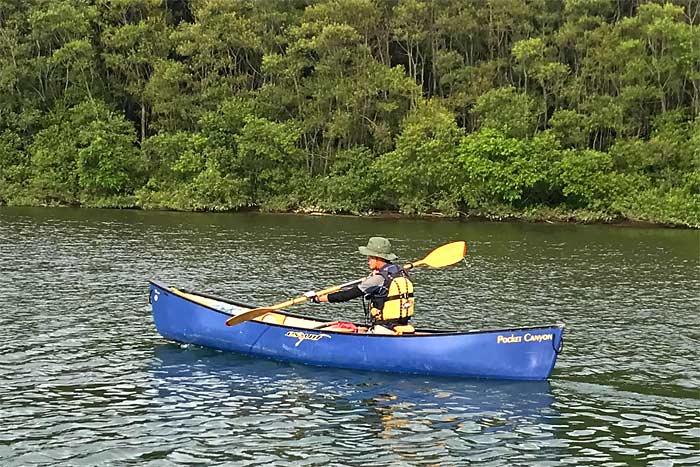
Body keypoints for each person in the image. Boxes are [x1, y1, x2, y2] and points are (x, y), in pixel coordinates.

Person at [309, 237, 415, 334]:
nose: (368, 261)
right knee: (360, 329)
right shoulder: (401, 271)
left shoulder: (377, 279)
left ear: (378, 258)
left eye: (369, 258)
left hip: (383, 329)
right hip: (402, 325)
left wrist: (319, 299)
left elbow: (346, 295)